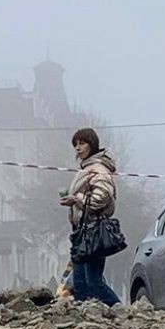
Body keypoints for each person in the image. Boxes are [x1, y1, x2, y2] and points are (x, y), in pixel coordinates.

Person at [60, 127, 121, 306]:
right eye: (76, 144)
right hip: (82, 231)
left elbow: (101, 197)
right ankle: (83, 322)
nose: (78, 148)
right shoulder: (86, 168)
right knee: (80, 284)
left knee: (93, 281)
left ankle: (121, 312)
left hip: (93, 230)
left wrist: (76, 199)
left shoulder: (98, 168)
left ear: (92, 145)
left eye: (82, 143)